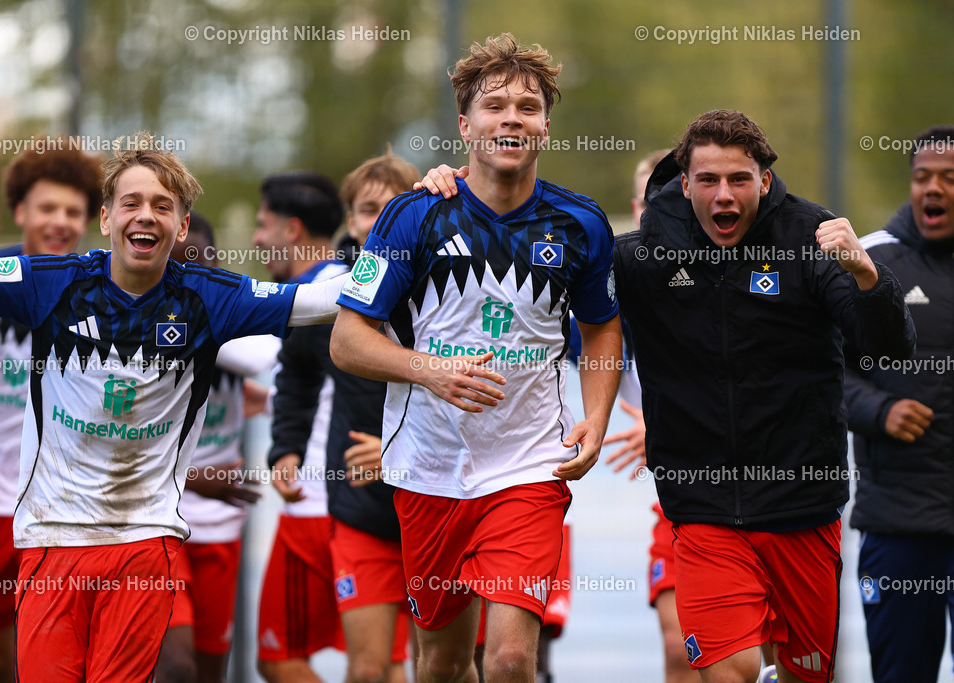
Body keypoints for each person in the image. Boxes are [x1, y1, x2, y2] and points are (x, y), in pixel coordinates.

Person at [421, 109, 916, 683]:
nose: (723, 195)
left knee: (805, 674)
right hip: (701, 511)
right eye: (708, 181)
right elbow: (538, 286)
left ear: (764, 179)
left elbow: (889, 351)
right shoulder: (643, 255)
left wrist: (865, 274)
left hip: (801, 509)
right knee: (723, 668)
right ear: (685, 184)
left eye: (738, 179)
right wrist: (456, 195)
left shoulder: (810, 237)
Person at [0, 134, 346, 681]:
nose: (144, 216)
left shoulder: (210, 297)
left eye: (161, 206)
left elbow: (321, 299)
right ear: (106, 218)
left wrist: (392, 240)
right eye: (131, 202)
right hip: (52, 539)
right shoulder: (49, 281)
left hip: (144, 544)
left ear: (180, 223)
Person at [330, 34, 622, 683]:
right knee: (440, 663)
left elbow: (602, 328)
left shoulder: (581, 225)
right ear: (466, 124)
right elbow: (348, 339)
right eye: (494, 106)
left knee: (513, 657)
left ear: (546, 125)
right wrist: (431, 369)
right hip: (428, 469)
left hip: (529, 468)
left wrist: (596, 420)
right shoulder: (412, 216)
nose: (511, 117)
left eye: (528, 106)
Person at [271, 154, 422, 683]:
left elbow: (473, 387)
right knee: (366, 668)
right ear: (350, 221)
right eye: (364, 210)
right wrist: (285, 449)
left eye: (389, 208)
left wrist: (395, 451)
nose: (375, 221)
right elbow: (296, 373)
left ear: (414, 213)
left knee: (434, 666)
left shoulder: (442, 288)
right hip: (357, 507)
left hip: (431, 500)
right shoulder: (331, 291)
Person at [0, 144, 102, 683]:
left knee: (58, 660)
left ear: (90, 220)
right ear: (20, 211)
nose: (59, 222)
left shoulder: (105, 288)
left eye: (72, 211)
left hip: (69, 509)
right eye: (47, 208)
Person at [844, 125, 954, 683]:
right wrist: (877, 408)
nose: (933, 188)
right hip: (898, 524)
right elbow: (820, 368)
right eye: (922, 177)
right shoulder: (872, 261)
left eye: (949, 179)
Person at [157, 212, 277, 683]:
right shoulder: (144, 334)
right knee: (176, 667)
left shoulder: (229, 329)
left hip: (223, 525)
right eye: (182, 268)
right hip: (163, 518)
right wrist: (190, 480)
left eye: (205, 265)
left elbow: (263, 356)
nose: (194, 279)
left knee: (211, 670)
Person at [602, 148, 701, 683]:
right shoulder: (616, 283)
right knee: (679, 644)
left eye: (666, 198)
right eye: (646, 200)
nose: (654, 211)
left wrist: (664, 425)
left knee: (758, 655)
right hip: (670, 505)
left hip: (748, 492)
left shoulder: (723, 277)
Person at [253, 172, 348, 683]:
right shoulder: (319, 287)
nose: (255, 238)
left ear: (291, 230)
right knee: (382, 660)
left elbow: (255, 355)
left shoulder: (321, 295)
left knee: (278, 656)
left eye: (261, 224)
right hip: (330, 498)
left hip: (319, 505)